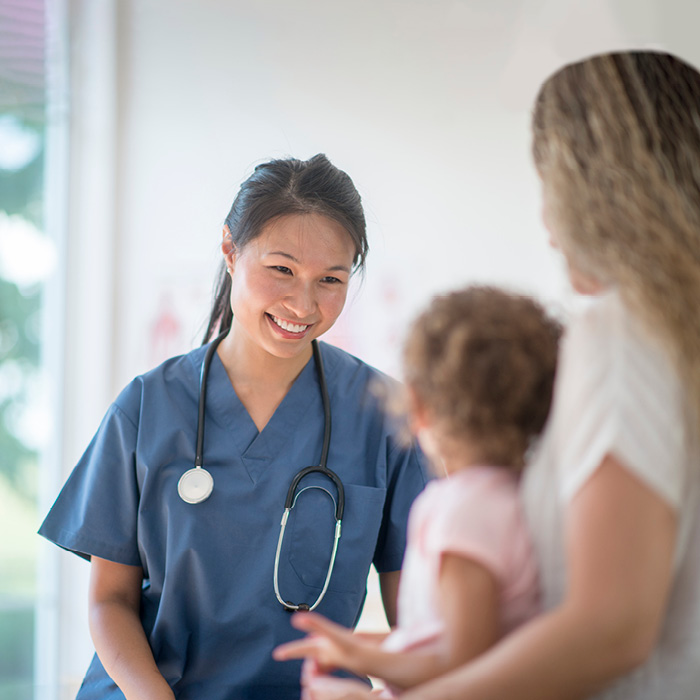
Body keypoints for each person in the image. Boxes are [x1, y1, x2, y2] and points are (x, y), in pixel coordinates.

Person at [321, 51, 700, 700]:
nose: (550, 232)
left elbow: (611, 627)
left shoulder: (623, 334)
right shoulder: (672, 333)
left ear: (598, 189)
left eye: (551, 190)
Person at [38, 154, 430, 700]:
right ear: (230, 250)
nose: (303, 302)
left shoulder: (383, 416)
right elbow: (110, 602)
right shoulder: (148, 406)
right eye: (282, 269)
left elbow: (415, 613)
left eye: (331, 279)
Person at [273, 286, 561, 697]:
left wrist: (364, 666)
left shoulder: (463, 513)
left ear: (418, 406)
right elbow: (446, 640)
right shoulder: (526, 497)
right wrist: (362, 647)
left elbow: (463, 664)